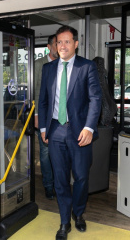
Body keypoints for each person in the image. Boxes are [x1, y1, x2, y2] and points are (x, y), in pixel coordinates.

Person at [38, 26, 102, 240]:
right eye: (59, 42)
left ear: (75, 43)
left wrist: (89, 127)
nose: (62, 45)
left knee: (82, 177)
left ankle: (78, 212)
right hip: (55, 130)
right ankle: (65, 221)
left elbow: (96, 99)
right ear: (55, 45)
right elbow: (44, 101)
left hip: (80, 132)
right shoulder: (48, 68)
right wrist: (44, 128)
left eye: (67, 41)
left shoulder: (87, 66)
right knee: (60, 179)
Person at [34, 34, 59, 200]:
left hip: (60, 119)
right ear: (49, 47)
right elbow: (36, 90)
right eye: (57, 44)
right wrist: (36, 115)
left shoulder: (64, 64)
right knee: (45, 154)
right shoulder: (39, 65)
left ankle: (59, 185)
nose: (61, 47)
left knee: (59, 153)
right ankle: (49, 186)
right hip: (43, 116)